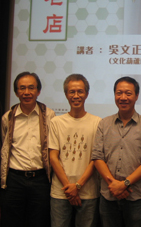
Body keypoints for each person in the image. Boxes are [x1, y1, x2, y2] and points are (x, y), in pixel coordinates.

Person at [91, 76, 141, 227]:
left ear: (136, 96)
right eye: (119, 93)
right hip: (108, 195)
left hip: (136, 196)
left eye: (128, 93)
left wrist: (125, 184)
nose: (123, 97)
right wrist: (114, 184)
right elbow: (97, 157)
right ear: (114, 95)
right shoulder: (104, 123)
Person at [1, 71, 55, 227]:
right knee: (11, 221)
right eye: (22, 88)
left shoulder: (49, 116)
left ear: (38, 91)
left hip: (40, 179)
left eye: (31, 88)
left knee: (39, 221)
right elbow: (5, 147)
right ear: (16, 92)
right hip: (14, 180)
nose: (26, 92)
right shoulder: (8, 117)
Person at [49, 74, 101, 227]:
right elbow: (53, 157)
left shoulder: (97, 122)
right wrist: (69, 188)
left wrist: (77, 186)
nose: (76, 96)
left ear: (87, 94)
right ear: (66, 94)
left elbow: (96, 158)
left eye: (80, 91)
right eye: (72, 92)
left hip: (88, 192)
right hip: (60, 192)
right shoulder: (56, 122)